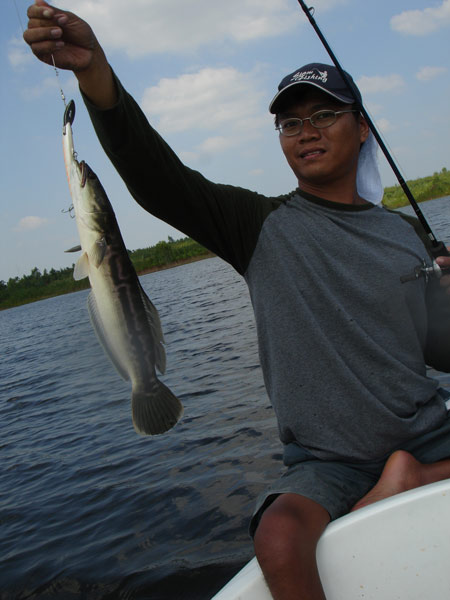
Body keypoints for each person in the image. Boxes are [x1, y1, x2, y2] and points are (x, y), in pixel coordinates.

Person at [23, 2, 450, 599]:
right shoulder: (258, 225)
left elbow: (440, 348)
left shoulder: (404, 235)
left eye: (325, 114)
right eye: (290, 122)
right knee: (278, 535)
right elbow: (157, 178)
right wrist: (95, 74)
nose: (307, 131)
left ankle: (421, 472)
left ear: (363, 128)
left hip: (431, 433)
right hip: (329, 463)